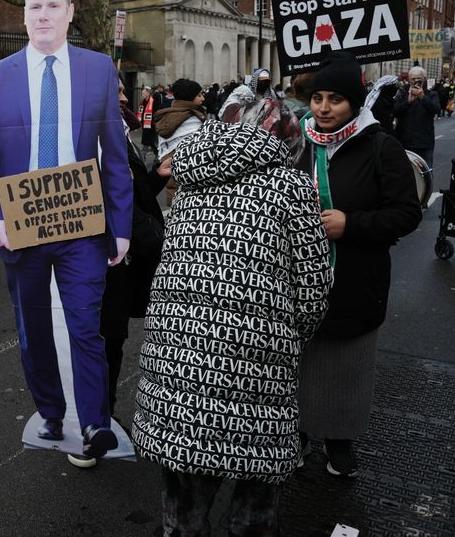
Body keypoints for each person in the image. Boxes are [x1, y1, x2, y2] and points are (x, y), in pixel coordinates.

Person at [133, 101, 332, 537]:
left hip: (177, 359)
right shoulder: (292, 187)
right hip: (256, 368)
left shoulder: (190, 185)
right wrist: (286, 337)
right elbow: (314, 287)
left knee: (184, 506)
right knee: (253, 512)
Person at [0, 0, 132, 467]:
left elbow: (115, 155)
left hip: (82, 225)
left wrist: (120, 225)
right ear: (24, 15)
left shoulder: (98, 68)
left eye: (52, 7)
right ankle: (51, 410)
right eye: (34, 7)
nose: (43, 15)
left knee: (85, 326)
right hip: (21, 225)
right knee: (34, 328)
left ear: (69, 13)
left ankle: (94, 422)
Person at [297, 51, 422, 478]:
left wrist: (350, 224)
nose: (324, 108)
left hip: (354, 279)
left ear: (354, 101)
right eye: (317, 98)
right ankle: (296, 434)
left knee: (344, 367)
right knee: (297, 362)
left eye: (335, 99)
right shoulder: (298, 141)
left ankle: (338, 440)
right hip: (297, 280)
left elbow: (406, 214)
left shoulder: (380, 145)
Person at [101, 80, 167, 419]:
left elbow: (130, 191)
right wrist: (158, 240)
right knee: (99, 342)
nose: (126, 98)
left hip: (117, 263)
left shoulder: (117, 132)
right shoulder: (92, 138)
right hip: (95, 264)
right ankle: (93, 423)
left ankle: (102, 416)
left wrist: (157, 174)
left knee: (111, 340)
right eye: (118, 92)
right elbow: (108, 205)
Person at [153, 78, 206, 205]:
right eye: (199, 95)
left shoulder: (168, 116)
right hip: (192, 185)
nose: (203, 98)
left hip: (172, 179)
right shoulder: (193, 120)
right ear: (189, 98)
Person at [392, 66, 439, 167]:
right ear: (409, 80)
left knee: (426, 174)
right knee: (405, 173)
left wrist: (422, 97)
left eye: (419, 79)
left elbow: (435, 109)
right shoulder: (402, 93)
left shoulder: (432, 94)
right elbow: (395, 112)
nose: (416, 81)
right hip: (404, 141)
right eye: (413, 79)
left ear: (424, 79)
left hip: (424, 142)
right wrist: (407, 102)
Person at [138, 85, 157, 156]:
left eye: (144, 93)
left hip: (151, 126)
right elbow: (140, 112)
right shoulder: (142, 102)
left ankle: (157, 156)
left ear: (148, 93)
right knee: (148, 143)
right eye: (142, 93)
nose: (142, 95)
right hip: (145, 126)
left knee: (150, 142)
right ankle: (156, 155)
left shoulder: (154, 102)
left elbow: (156, 112)